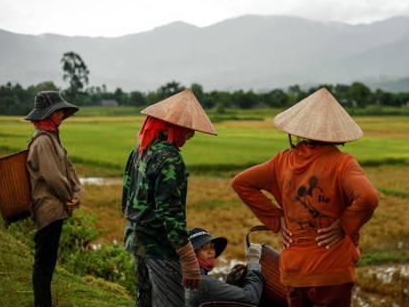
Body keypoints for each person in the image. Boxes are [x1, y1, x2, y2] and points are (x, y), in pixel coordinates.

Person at [231, 88, 379, 307]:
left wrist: (277, 220)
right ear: (337, 135)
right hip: (331, 268)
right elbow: (368, 197)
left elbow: (241, 182)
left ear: (297, 131)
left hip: (293, 269)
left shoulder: (282, 161)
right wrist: (344, 226)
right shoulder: (342, 164)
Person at [122, 89, 218, 307]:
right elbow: (169, 213)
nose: (190, 136)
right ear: (175, 128)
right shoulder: (170, 158)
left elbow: (126, 194)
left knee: (144, 299)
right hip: (160, 247)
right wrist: (187, 256)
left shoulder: (140, 149)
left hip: (136, 238)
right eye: (187, 130)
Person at [25, 90, 82, 307]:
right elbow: (53, 177)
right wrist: (69, 197)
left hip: (57, 209)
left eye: (61, 111)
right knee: (44, 263)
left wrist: (76, 193)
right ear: (47, 114)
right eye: (58, 111)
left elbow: (67, 169)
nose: (62, 115)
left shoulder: (52, 138)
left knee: (48, 261)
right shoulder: (42, 142)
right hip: (48, 210)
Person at [185, 227, 265, 307]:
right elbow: (251, 297)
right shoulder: (203, 282)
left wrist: (229, 285)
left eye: (212, 246)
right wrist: (254, 264)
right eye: (204, 247)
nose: (211, 251)